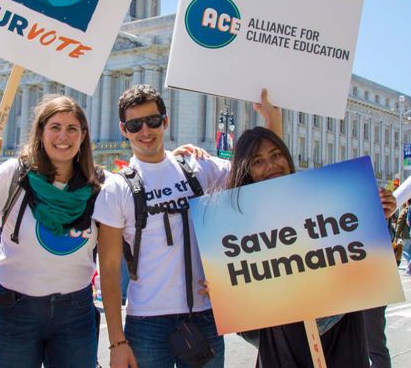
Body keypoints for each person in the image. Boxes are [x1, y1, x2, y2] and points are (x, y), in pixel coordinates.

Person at [95, 85, 280, 368]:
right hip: (146, 323)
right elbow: (108, 270)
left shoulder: (198, 168)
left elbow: (259, 175)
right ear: (124, 129)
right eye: (135, 124)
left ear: (166, 121)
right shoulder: (116, 188)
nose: (146, 130)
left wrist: (272, 122)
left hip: (203, 316)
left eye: (153, 121)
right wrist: (117, 342)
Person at [221, 126, 397, 368]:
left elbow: (362, 265)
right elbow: (245, 317)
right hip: (284, 344)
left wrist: (376, 216)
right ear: (247, 170)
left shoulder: (325, 200)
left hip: (342, 334)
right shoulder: (237, 223)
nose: (271, 165)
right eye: (258, 161)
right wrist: (224, 289)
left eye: (276, 155)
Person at [0, 95, 106, 367]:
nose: (63, 136)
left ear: (83, 136)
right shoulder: (12, 175)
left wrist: (176, 155)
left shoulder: (100, 185)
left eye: (72, 129)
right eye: (55, 127)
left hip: (75, 313)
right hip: (14, 311)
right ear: (41, 132)